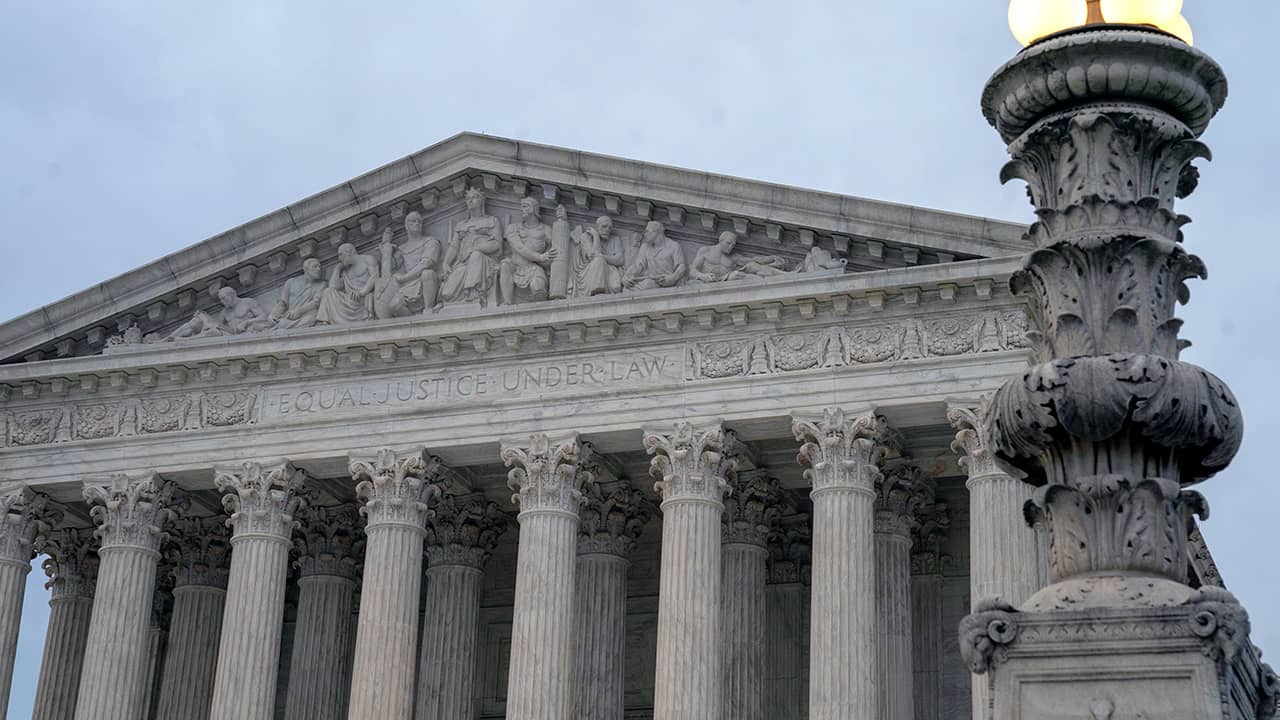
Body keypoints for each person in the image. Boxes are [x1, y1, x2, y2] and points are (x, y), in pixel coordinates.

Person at [440, 187, 502, 306]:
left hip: (485, 261)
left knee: (476, 256)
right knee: (447, 294)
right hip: (462, 262)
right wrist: (446, 262)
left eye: (474, 197)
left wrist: (477, 248)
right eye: (468, 198)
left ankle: (474, 294)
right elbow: (454, 246)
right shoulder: (461, 225)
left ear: (482, 201)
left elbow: (496, 244)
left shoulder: (492, 220)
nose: (470, 200)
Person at [375, 211, 442, 317]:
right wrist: (386, 245)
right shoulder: (402, 249)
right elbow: (388, 272)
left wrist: (404, 278)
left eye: (419, 221)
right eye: (413, 221)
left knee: (427, 273)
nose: (417, 223)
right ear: (406, 226)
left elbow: (426, 263)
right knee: (394, 306)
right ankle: (414, 324)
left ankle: (429, 310)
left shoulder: (431, 241)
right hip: (407, 287)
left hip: (424, 283)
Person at [499, 196, 557, 304]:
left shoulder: (545, 229)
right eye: (522, 207)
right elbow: (519, 247)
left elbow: (555, 250)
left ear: (533, 208)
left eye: (525, 206)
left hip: (533, 268)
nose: (522, 210)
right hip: (514, 266)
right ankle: (507, 305)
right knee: (505, 265)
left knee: (538, 288)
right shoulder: (513, 228)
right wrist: (541, 257)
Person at [168, 287, 270, 339]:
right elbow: (217, 325)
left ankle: (188, 340)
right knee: (198, 320)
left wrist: (247, 322)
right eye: (221, 299)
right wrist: (204, 317)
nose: (222, 302)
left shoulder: (247, 302)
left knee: (212, 331)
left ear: (232, 295)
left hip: (247, 332)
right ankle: (169, 339)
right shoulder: (224, 312)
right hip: (231, 332)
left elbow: (263, 316)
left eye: (224, 298)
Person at [689, 231, 789, 282]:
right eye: (728, 243)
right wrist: (702, 276)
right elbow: (692, 271)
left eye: (733, 245)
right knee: (737, 274)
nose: (730, 247)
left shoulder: (733, 257)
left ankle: (785, 276)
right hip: (711, 281)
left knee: (752, 265)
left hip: (726, 278)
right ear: (720, 240)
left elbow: (754, 260)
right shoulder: (706, 250)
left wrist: (771, 258)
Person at [316, 243, 377, 325]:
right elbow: (333, 287)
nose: (339, 258)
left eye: (341, 254)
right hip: (350, 299)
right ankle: (323, 322)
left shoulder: (367, 259)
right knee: (328, 291)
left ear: (350, 252)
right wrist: (337, 269)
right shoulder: (346, 270)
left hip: (363, 298)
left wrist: (362, 292)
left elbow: (374, 277)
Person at [570, 215, 626, 296]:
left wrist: (602, 257)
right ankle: (598, 290)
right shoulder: (586, 236)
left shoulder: (615, 239)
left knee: (600, 260)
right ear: (597, 227)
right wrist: (596, 236)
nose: (607, 230)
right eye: (604, 226)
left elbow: (620, 260)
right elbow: (592, 255)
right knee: (599, 261)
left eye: (610, 228)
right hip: (588, 273)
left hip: (610, 271)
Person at [622, 221, 687, 290]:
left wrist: (673, 278)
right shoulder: (645, 247)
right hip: (651, 281)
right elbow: (638, 266)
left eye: (647, 231)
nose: (644, 234)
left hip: (666, 281)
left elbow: (681, 266)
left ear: (656, 232)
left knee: (645, 286)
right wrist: (627, 276)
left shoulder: (673, 246)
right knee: (626, 289)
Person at [270, 257, 327, 329]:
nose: (318, 269)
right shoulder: (291, 282)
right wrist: (273, 315)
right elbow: (283, 302)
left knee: (312, 318)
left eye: (319, 267)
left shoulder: (322, 284)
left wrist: (299, 311)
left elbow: (316, 302)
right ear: (306, 269)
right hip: (289, 317)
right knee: (280, 324)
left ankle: (283, 328)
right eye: (315, 266)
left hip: (307, 316)